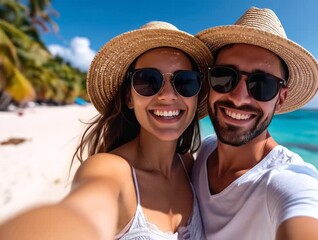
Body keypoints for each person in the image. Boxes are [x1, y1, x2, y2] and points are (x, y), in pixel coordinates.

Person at [0, 21, 212, 239]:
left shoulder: (190, 167)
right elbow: (80, 214)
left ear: (195, 96)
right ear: (129, 97)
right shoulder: (110, 171)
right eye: (148, 80)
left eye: (186, 82)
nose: (168, 95)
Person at [192, 7, 318, 240]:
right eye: (224, 77)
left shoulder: (286, 180)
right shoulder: (202, 153)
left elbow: (307, 206)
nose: (238, 97)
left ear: (280, 98)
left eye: (262, 84)